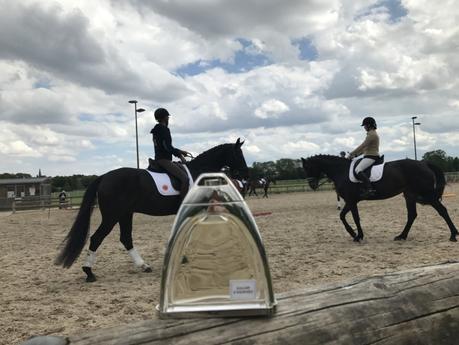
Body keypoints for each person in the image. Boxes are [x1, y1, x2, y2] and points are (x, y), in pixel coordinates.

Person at [150, 108, 191, 201]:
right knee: (185, 179)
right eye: (168, 117)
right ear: (165, 118)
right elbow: (167, 147)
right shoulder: (164, 129)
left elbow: (164, 145)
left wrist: (180, 151)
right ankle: (183, 205)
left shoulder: (156, 130)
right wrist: (179, 154)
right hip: (164, 160)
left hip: (158, 159)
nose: (168, 119)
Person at [348, 116, 380, 197]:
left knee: (358, 169)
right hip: (369, 155)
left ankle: (369, 189)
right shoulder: (370, 134)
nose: (364, 127)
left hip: (372, 156)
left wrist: (351, 153)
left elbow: (363, 145)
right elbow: (365, 149)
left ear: (369, 125)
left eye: (365, 125)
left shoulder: (372, 135)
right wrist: (355, 155)